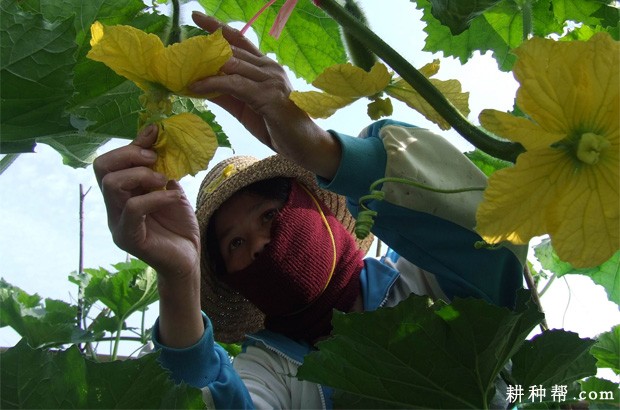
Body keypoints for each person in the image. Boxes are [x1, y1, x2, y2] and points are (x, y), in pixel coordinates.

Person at [93, 12, 527, 409]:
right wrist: (179, 279)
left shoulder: (422, 277)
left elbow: (489, 237)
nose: (261, 244)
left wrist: (322, 152)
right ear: (229, 280)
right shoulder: (268, 369)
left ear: (317, 207)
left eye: (268, 214)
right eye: (235, 244)